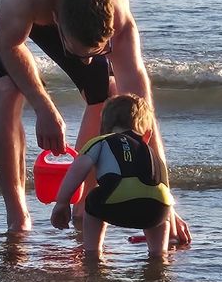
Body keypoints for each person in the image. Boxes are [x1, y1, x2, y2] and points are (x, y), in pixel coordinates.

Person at [0, 0, 190, 243]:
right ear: (57, 24)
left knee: (106, 93)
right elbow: (10, 47)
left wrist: (162, 198)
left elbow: (141, 110)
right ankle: (18, 218)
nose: (86, 62)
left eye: (98, 52)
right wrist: (44, 107)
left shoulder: (119, 14)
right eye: (79, 54)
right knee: (9, 89)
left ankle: (85, 207)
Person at [51, 94, 172, 256]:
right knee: (159, 201)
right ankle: (158, 254)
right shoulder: (151, 151)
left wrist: (62, 202)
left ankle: (93, 252)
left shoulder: (101, 141)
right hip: (158, 211)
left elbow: (77, 170)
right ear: (147, 134)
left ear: (103, 127)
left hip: (117, 204)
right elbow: (163, 185)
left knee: (92, 199)